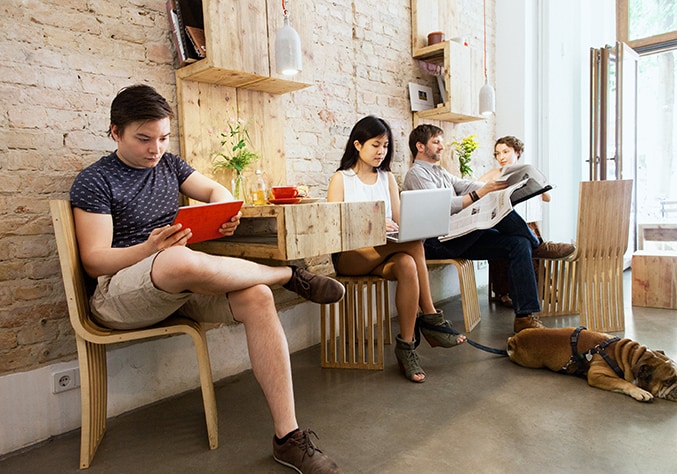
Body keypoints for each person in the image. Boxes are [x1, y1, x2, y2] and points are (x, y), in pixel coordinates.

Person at [69, 84, 344, 473]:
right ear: (115, 132)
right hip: (118, 297)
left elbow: (214, 189)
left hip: (176, 285)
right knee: (178, 258)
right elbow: (95, 261)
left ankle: (289, 438)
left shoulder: (169, 165)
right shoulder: (96, 180)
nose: (155, 148)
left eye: (163, 137)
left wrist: (223, 210)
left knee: (257, 298)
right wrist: (150, 249)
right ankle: (288, 275)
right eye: (143, 139)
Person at [326, 116, 466, 383]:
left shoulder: (386, 177)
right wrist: (376, 224)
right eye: (375, 145)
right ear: (357, 144)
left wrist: (402, 226)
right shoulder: (341, 179)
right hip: (351, 255)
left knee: (408, 263)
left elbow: (403, 223)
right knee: (414, 244)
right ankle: (431, 318)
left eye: (386, 146)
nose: (381, 152)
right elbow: (334, 227)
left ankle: (407, 347)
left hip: (384, 252)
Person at [403, 124, 575, 333]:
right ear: (420, 146)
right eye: (436, 142)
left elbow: (466, 186)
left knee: (518, 244)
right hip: (437, 242)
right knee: (492, 207)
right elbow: (442, 206)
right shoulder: (416, 174)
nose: (442, 146)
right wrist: (481, 194)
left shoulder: (441, 172)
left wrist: (500, 185)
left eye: (441, 141)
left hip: (458, 236)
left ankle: (525, 317)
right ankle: (538, 245)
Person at [478, 135, 549, 308]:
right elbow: (476, 188)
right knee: (506, 238)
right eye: (497, 154)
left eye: (505, 152)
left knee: (527, 233)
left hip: (525, 221)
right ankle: (504, 292)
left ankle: (541, 287)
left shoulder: (526, 172)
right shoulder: (493, 174)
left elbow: (547, 197)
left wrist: (534, 186)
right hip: (501, 221)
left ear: (516, 152)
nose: (501, 157)